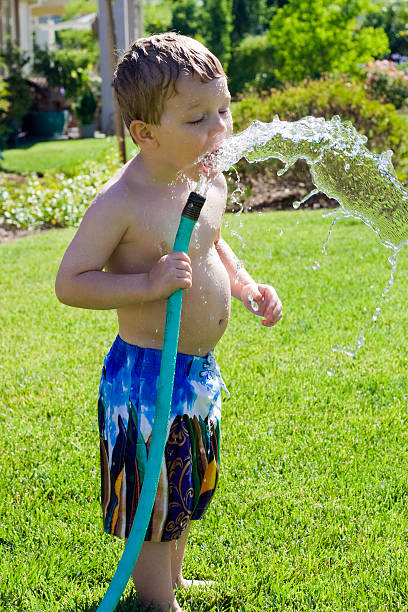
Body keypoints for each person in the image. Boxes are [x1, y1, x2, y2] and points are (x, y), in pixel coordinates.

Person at [55, 32, 282, 612]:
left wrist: (245, 284)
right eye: (198, 118)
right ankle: (156, 600)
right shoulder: (121, 201)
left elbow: (212, 244)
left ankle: (174, 578)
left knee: (185, 479)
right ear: (146, 133)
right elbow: (71, 282)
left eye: (225, 110)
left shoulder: (208, 179)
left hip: (198, 370)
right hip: (145, 378)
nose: (220, 129)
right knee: (152, 493)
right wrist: (146, 285)